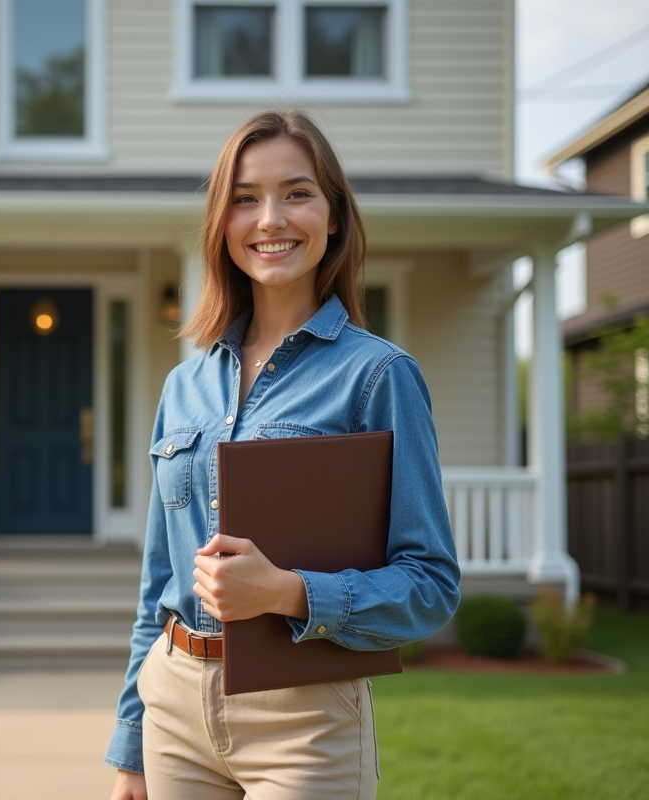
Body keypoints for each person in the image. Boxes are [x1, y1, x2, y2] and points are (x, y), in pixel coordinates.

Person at [104, 110, 461, 800]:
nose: (271, 218)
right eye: (246, 198)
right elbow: (159, 585)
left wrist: (290, 592)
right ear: (222, 223)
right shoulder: (185, 385)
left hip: (305, 716)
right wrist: (132, 745)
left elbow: (431, 584)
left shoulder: (378, 376)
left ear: (333, 218)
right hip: (175, 707)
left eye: (297, 193)